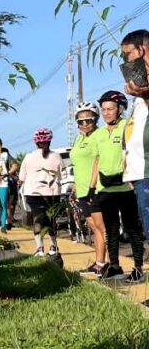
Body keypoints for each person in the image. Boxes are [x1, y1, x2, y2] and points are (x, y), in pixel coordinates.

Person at [93, 90, 145, 282]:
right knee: (111, 229)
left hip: (126, 187)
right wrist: (93, 187)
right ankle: (114, 265)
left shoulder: (127, 126)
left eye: (110, 109)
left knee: (132, 229)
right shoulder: (99, 134)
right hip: (105, 188)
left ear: (120, 109)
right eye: (103, 109)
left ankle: (138, 268)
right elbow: (97, 160)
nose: (106, 113)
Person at [70, 101, 108, 275]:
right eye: (80, 121)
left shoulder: (99, 135)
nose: (84, 124)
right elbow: (77, 165)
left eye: (89, 120)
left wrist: (92, 187)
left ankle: (106, 263)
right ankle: (98, 262)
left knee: (102, 229)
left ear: (96, 119)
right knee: (93, 228)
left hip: (96, 189)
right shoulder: (79, 138)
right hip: (83, 190)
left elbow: (98, 161)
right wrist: (75, 188)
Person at [121, 29, 149, 241]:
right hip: (141, 173)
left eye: (128, 53)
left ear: (142, 48)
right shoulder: (140, 92)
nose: (126, 60)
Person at [18, 128, 64, 256]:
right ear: (50, 141)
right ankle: (53, 246)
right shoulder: (56, 156)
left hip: (33, 193)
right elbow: (63, 175)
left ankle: (39, 248)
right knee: (50, 219)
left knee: (38, 218)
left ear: (35, 143)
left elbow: (21, 178)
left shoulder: (28, 157)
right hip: (52, 193)